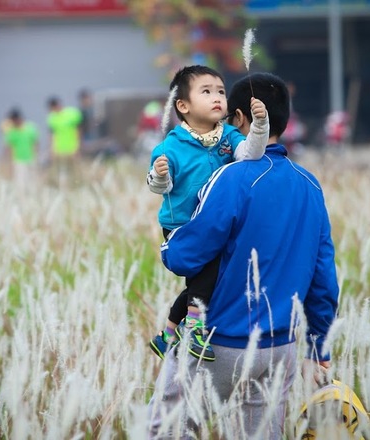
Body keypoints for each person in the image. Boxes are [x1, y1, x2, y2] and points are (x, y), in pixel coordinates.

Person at [147, 72, 340, 439]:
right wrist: (319, 346)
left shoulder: (232, 178)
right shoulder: (310, 185)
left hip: (221, 342)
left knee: (168, 431)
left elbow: (185, 258)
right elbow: (323, 276)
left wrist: (169, 245)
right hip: (280, 347)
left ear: (237, 120)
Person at [147, 65, 269, 362]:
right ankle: (195, 328)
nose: (217, 97)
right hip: (183, 225)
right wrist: (161, 175)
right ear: (183, 106)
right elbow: (160, 187)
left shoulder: (228, 136)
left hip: (216, 222)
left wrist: (260, 126)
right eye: (206, 91)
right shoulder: (171, 147)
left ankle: (168, 334)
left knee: (204, 279)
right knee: (208, 275)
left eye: (221, 92)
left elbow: (249, 154)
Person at [47, 96, 82, 184]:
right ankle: (64, 189)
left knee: (75, 171)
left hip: (72, 147)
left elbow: (78, 131)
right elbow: (52, 135)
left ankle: (76, 187)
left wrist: (77, 146)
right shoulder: (51, 118)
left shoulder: (72, 113)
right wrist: (52, 149)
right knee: (62, 171)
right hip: (59, 149)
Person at [3, 107, 39, 187]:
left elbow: (35, 143)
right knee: (20, 183)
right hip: (18, 160)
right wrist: (10, 162)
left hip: (31, 158)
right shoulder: (11, 131)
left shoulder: (30, 128)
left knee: (33, 182)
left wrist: (36, 157)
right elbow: (9, 147)